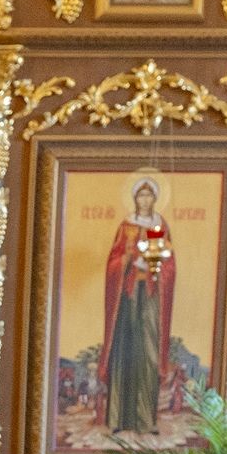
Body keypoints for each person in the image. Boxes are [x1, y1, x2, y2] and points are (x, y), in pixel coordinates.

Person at [98, 178, 176, 437]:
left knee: (148, 353)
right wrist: (129, 260)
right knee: (124, 351)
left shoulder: (161, 226)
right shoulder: (126, 226)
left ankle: (146, 420)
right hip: (128, 297)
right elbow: (113, 261)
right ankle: (118, 418)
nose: (145, 200)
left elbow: (170, 263)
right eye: (141, 195)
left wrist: (157, 267)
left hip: (151, 295)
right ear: (134, 199)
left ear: (155, 199)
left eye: (149, 196)